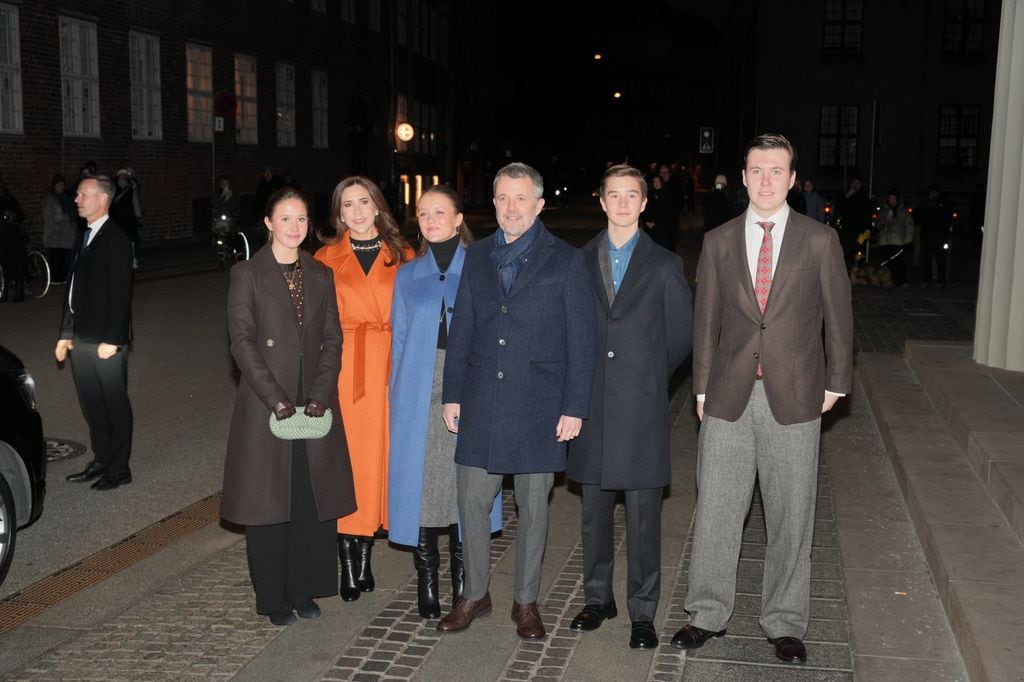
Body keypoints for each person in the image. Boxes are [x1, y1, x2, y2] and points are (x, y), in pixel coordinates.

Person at [674, 134, 852, 664]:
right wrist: (701, 387)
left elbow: (838, 319)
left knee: (792, 513)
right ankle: (706, 613)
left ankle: (785, 622)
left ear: (793, 179)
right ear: (744, 177)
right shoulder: (719, 241)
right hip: (728, 395)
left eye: (778, 170)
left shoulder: (820, 241)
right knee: (717, 511)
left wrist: (836, 382)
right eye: (758, 170)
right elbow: (704, 323)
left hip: (796, 397)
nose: (767, 179)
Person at [437, 162, 596, 639]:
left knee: (535, 509)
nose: (511, 208)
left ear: (539, 204)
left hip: (538, 406)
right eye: (503, 198)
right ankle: (475, 593)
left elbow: (581, 341)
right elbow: (462, 328)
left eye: (521, 198)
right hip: (483, 398)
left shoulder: (567, 260)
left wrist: (574, 407)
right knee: (470, 502)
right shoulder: (478, 257)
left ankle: (526, 600)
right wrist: (453, 394)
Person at [567, 165, 693, 649]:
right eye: (613, 195)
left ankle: (643, 610)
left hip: (640, 408)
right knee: (594, 510)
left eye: (631, 196)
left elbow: (681, 334)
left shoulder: (663, 264)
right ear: (601, 201)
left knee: (644, 514)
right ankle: (598, 598)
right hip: (593, 406)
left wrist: (645, 377)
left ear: (644, 203)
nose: (622, 204)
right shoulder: (579, 262)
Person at [220, 188, 356, 626]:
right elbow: (241, 342)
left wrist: (319, 393)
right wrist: (276, 398)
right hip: (267, 404)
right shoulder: (247, 273)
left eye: (301, 219)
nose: (295, 227)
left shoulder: (320, 273)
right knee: (268, 502)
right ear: (268, 223)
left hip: (313, 401)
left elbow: (333, 338)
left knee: (307, 498)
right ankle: (273, 597)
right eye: (286, 219)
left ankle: (303, 588)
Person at [387, 185, 502, 619]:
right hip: (417, 388)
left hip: (469, 385)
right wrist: (393, 398)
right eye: (423, 213)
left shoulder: (483, 268)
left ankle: (464, 581)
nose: (431, 220)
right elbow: (397, 343)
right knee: (420, 485)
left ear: (459, 219)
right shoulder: (406, 275)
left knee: (465, 485)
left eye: (440, 212)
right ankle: (427, 577)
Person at [315, 176, 414, 601]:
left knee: (385, 460)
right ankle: (350, 559)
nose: (356, 212)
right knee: (349, 462)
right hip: (347, 368)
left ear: (377, 207)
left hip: (393, 365)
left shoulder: (405, 254)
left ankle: (369, 546)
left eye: (363, 202)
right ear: (338, 214)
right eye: (347, 205)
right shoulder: (324, 257)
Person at [56, 176, 136, 490]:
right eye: (76, 194)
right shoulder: (84, 236)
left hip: (105, 340)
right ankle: (101, 458)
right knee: (92, 403)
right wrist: (65, 332)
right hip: (81, 337)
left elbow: (121, 295)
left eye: (82, 194)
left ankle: (120, 467)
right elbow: (73, 290)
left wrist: (112, 340)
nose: (76, 199)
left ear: (102, 199)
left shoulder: (116, 239)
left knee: (114, 403)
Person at [42, 174, 78, 285]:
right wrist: (60, 221)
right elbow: (49, 216)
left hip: (68, 233)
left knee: (66, 256)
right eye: (59, 185)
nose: (61, 187)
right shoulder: (50, 199)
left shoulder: (66, 197)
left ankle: (66, 277)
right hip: (55, 233)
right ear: (54, 186)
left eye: (62, 185)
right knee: (56, 256)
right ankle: (56, 279)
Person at [875, 189, 915, 286]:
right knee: (888, 263)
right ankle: (889, 280)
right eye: (890, 198)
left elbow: (909, 227)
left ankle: (901, 281)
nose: (892, 200)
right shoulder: (883, 212)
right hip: (885, 242)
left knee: (899, 263)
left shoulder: (904, 212)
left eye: (894, 198)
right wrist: (885, 219)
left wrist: (907, 241)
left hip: (898, 241)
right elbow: (877, 225)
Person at [915, 185, 952, 289]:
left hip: (940, 238)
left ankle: (941, 281)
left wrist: (946, 237)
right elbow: (917, 217)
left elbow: (947, 221)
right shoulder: (925, 205)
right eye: (931, 194)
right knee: (926, 260)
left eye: (935, 194)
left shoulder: (943, 206)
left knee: (941, 260)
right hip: (927, 237)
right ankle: (926, 280)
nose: (933, 196)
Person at [0, 179, 27, 302]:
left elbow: (21, 216)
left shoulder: (9, 199)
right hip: (4, 236)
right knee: (5, 265)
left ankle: (18, 292)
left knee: (15, 264)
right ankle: (4, 292)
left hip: (12, 236)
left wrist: (11, 217)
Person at [835, 177, 872, 267]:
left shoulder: (865, 198)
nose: (855, 185)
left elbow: (868, 215)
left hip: (860, 232)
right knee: (846, 253)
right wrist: (847, 197)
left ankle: (857, 272)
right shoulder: (846, 197)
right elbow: (839, 209)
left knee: (858, 254)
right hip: (847, 231)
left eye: (857, 183)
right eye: (853, 183)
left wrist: (867, 231)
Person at [110, 168, 142, 268]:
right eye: (121, 175)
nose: (123, 176)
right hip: (117, 217)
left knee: (131, 240)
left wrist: (138, 216)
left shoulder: (130, 188)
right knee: (117, 240)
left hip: (129, 217)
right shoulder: (112, 188)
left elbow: (135, 202)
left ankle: (132, 259)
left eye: (124, 175)